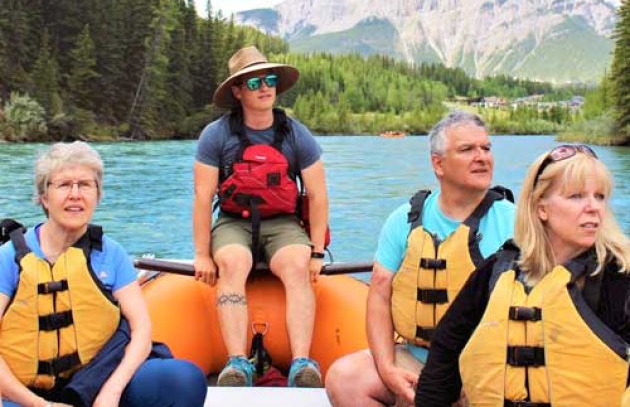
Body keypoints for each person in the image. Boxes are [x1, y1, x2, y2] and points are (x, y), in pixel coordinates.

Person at [415, 144, 630, 406]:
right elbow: (445, 350)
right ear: (542, 208)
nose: (593, 207)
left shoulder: (619, 277)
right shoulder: (498, 271)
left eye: (599, 196)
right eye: (576, 196)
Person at [326, 111, 515, 406]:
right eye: (467, 149)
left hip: (487, 368)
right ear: (438, 163)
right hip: (416, 360)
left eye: (486, 148)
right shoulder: (404, 220)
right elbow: (379, 294)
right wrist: (388, 369)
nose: (482, 157)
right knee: (345, 378)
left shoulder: (516, 223)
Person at [0, 142, 207, 407]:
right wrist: (41, 405)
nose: (75, 194)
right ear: (43, 197)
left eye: (85, 185)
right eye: (64, 185)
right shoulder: (9, 257)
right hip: (24, 394)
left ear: (97, 195)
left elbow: (141, 330)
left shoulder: (112, 253)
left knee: (182, 379)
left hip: (96, 383)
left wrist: (111, 391)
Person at [193, 46, 329, 388]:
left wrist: (315, 251)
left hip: (282, 222)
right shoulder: (216, 135)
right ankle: (237, 362)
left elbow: (318, 195)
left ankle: (302, 363)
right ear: (237, 91)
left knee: (296, 264)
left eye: (269, 80)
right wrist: (200, 254)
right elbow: (202, 196)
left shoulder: (296, 133)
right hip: (232, 221)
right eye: (254, 82)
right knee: (234, 262)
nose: (265, 87)